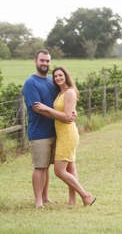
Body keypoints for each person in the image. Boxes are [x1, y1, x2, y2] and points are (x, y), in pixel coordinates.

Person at [33, 66, 96, 207]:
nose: (58, 78)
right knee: (70, 168)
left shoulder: (69, 92)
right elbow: (69, 111)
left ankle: (85, 194)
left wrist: (46, 108)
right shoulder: (60, 93)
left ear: (66, 76)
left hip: (67, 135)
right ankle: (72, 201)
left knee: (59, 171)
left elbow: (67, 116)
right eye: (55, 76)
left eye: (60, 75)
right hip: (62, 134)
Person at [22, 49, 76, 208]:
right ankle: (38, 201)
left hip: (56, 132)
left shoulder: (52, 81)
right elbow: (37, 108)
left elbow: (64, 100)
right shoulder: (30, 83)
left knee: (48, 166)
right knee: (40, 166)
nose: (45, 63)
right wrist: (64, 117)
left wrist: (72, 113)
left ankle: (46, 197)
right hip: (39, 133)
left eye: (47, 61)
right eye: (42, 60)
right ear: (35, 61)